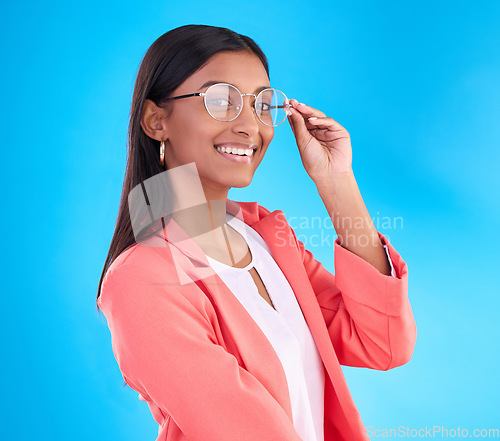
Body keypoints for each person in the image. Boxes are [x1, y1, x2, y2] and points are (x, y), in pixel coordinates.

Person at [96, 24, 417, 441]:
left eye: (262, 105)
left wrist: (335, 182)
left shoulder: (266, 237)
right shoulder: (142, 278)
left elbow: (382, 342)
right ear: (157, 120)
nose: (251, 125)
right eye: (220, 101)